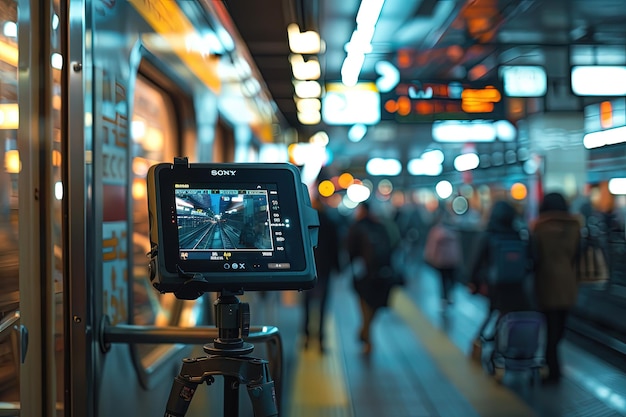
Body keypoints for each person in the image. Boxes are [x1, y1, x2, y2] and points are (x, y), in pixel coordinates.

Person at [530, 192, 581, 383]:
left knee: (549, 326)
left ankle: (552, 369)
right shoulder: (575, 227)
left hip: (545, 282)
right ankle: (552, 365)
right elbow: (578, 255)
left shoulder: (538, 227)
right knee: (559, 327)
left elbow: (534, 257)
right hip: (568, 283)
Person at [467, 200, 532, 343]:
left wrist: (473, 282)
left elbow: (476, 262)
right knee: (510, 314)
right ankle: (503, 343)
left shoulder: (488, 235)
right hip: (516, 284)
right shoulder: (518, 235)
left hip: (494, 284)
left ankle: (482, 342)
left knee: (493, 312)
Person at [346, 201, 395, 354]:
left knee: (364, 304)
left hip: (363, 273)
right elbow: (392, 245)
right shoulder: (380, 226)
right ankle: (366, 332)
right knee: (375, 305)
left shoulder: (356, 227)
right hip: (381, 273)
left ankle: (365, 332)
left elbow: (349, 249)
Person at [302, 196, 340, 353]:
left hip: (309, 269)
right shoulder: (330, 221)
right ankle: (321, 340)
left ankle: (306, 337)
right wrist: (338, 266)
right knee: (323, 306)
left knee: (307, 305)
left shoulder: (305, 223)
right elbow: (335, 246)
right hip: (325, 269)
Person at [423, 209, 462, 306]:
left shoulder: (436, 231)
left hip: (441, 260)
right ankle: (449, 295)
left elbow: (432, 246)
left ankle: (444, 297)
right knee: (452, 278)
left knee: (443, 280)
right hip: (452, 259)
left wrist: (429, 257)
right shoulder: (454, 231)